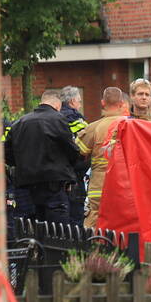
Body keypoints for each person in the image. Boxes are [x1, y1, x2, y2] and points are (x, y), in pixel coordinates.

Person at [3, 89, 85, 226]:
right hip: (54, 184)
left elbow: (7, 153)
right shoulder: (58, 119)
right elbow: (71, 150)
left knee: (36, 228)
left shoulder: (19, 122)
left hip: (27, 186)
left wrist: (23, 164)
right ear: (58, 105)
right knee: (58, 231)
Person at [77, 87, 130, 228]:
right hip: (125, 186)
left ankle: (95, 249)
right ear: (121, 104)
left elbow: (79, 151)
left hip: (99, 187)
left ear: (102, 103)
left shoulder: (94, 128)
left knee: (94, 223)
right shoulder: (133, 126)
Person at [60, 86, 89, 226]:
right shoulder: (76, 119)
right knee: (76, 217)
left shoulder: (56, 116)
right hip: (75, 174)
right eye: (79, 101)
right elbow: (87, 142)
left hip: (58, 174)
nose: (80, 104)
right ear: (72, 101)